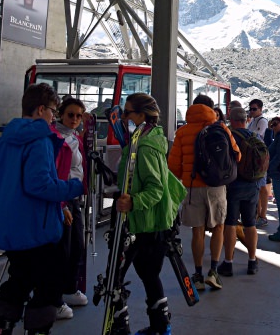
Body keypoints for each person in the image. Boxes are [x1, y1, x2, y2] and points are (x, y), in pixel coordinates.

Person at [0, 83, 84, 335]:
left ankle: (0, 326)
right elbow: (40, 185)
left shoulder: (0, 144)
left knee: (19, 278)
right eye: (53, 110)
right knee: (49, 284)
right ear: (41, 110)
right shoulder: (40, 142)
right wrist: (73, 188)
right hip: (37, 227)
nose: (54, 115)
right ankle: (38, 329)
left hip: (9, 226)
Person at [113, 92, 187, 335]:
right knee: (148, 275)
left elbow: (155, 189)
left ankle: (124, 326)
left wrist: (133, 202)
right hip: (148, 222)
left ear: (142, 116)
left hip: (145, 223)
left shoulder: (145, 147)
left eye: (128, 112)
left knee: (122, 276)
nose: (124, 117)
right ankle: (159, 326)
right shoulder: (143, 139)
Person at [167, 94, 241, 292]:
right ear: (211, 108)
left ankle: (198, 275)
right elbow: (237, 155)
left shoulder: (182, 132)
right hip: (216, 187)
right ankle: (214, 272)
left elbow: (173, 166)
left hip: (192, 187)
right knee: (218, 227)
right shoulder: (221, 128)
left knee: (197, 231)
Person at [50, 97, 89, 320]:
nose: (74, 119)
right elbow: (53, 172)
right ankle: (54, 299)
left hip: (73, 198)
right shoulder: (54, 138)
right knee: (61, 251)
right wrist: (61, 204)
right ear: (61, 114)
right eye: (70, 115)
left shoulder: (75, 138)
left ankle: (69, 288)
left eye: (78, 115)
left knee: (76, 246)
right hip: (62, 199)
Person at [218, 106, 263, 276]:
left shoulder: (229, 137)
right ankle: (252, 261)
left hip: (233, 185)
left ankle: (228, 262)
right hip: (252, 185)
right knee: (250, 224)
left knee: (230, 223)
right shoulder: (255, 136)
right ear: (246, 120)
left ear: (232, 120)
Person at [247, 99, 271, 227]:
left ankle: (262, 215)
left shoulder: (262, 121)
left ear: (260, 109)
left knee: (262, 187)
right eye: (250, 109)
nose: (251, 111)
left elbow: (256, 136)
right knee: (258, 186)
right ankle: (257, 213)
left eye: (254, 109)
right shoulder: (253, 121)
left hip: (260, 156)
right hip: (255, 155)